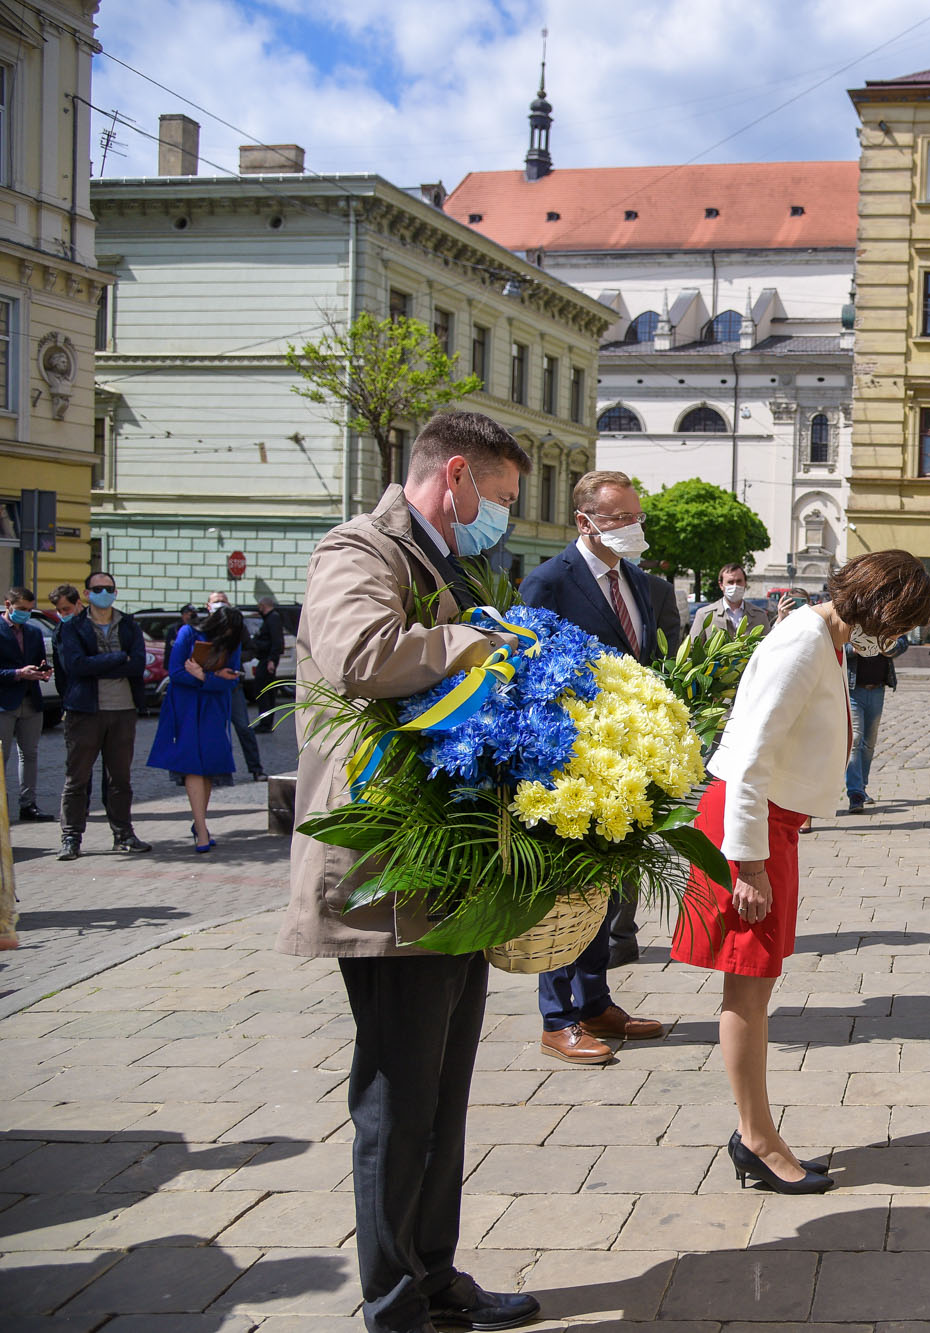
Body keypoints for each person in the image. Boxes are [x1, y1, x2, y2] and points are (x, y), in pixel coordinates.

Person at [277, 411, 542, 1333]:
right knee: (397, 1102)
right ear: (456, 475)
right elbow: (362, 657)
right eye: (500, 497)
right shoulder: (360, 548)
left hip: (446, 871)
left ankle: (432, 1274)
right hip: (387, 873)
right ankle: (393, 1304)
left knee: (441, 1095)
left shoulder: (444, 561)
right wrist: (476, 645)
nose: (502, 516)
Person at [671, 549, 930, 1194]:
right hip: (752, 826)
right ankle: (757, 1140)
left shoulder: (826, 636)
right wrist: (749, 865)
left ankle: (758, 1134)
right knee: (748, 987)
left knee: (757, 986)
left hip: (773, 823)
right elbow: (748, 757)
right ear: (877, 606)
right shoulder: (803, 641)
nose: (894, 641)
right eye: (897, 626)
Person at [517, 469, 670, 1064]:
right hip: (568, 762)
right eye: (620, 518)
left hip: (624, 760)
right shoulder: (548, 582)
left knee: (604, 890)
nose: (633, 527)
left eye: (637, 516)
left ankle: (595, 1001)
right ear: (585, 522)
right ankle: (557, 1017)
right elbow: (527, 672)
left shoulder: (639, 582)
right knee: (565, 890)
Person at [54, 571, 153, 862]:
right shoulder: (73, 626)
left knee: (119, 779)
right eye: (97, 589)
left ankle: (123, 835)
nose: (104, 593)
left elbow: (137, 665)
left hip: (123, 710)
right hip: (85, 711)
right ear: (86, 593)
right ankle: (71, 837)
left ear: (115, 592)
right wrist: (118, 658)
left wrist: (97, 664)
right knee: (77, 778)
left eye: (108, 588)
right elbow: (76, 666)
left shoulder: (129, 624)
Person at [148, 604, 245, 851]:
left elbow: (231, 680)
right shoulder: (188, 633)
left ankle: (199, 822)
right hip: (186, 707)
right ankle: (201, 830)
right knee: (192, 764)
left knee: (208, 765)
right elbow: (176, 673)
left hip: (214, 707)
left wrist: (202, 675)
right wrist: (213, 677)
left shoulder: (233, 643)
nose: (227, 636)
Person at [841, 629, 908, 815]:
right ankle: (855, 793)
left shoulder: (887, 621)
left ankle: (862, 787)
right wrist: (855, 649)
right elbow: (837, 645)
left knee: (869, 742)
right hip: (853, 689)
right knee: (854, 740)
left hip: (877, 689)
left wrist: (888, 648)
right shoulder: (853, 620)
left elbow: (903, 642)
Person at [1, 586, 51, 822]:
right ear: (7, 605)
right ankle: (2, 809)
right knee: (2, 757)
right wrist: (19, 673)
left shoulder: (33, 632)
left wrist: (43, 672)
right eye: (21, 609)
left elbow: (39, 661)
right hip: (4, 702)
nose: (26, 614)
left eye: (30, 610)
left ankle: (28, 804)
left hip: (31, 700)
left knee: (29, 754)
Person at [205, 591, 267, 780]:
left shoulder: (237, 626)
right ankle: (217, 771)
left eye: (223, 601)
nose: (220, 604)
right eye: (216, 601)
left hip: (233, 685)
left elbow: (251, 649)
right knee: (214, 730)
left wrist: (233, 659)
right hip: (210, 685)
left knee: (244, 727)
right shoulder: (205, 627)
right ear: (208, 606)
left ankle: (256, 769)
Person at [687, 563, 790, 638]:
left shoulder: (759, 616)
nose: (735, 586)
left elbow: (767, 646)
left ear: (745, 583)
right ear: (721, 585)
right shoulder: (705, 615)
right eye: (730, 582)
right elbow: (693, 649)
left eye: (739, 581)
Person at [248, 594, 287, 732]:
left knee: (264, 693)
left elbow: (277, 641)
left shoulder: (273, 618)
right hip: (265, 659)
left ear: (263, 606)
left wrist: (272, 660)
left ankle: (265, 724)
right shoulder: (270, 618)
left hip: (267, 660)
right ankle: (265, 723)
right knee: (265, 692)